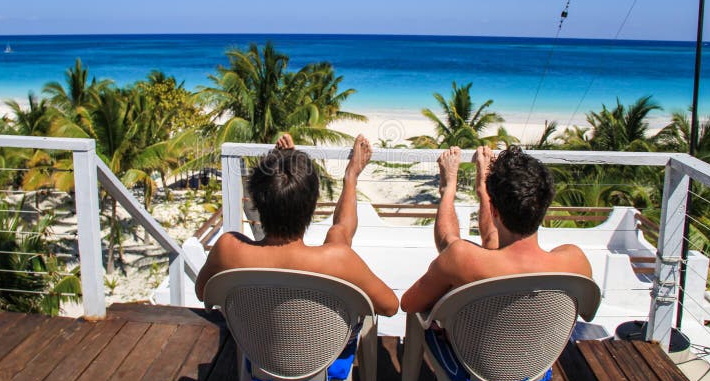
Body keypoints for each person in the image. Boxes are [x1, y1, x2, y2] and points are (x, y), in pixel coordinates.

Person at [196, 133, 399, 316]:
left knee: (338, 233)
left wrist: (286, 169)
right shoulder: (338, 261)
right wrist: (351, 176)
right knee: (339, 234)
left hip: (257, 349)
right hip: (325, 353)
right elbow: (390, 306)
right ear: (312, 206)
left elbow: (202, 292)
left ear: (256, 203)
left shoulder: (228, 249)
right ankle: (350, 179)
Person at [401, 145, 592, 313]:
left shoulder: (459, 258)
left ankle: (450, 190)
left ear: (494, 210)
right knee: (493, 242)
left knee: (452, 243)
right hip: (542, 353)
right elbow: (588, 312)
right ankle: (483, 189)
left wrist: (448, 187)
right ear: (545, 206)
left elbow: (409, 304)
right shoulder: (574, 261)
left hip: (470, 353)